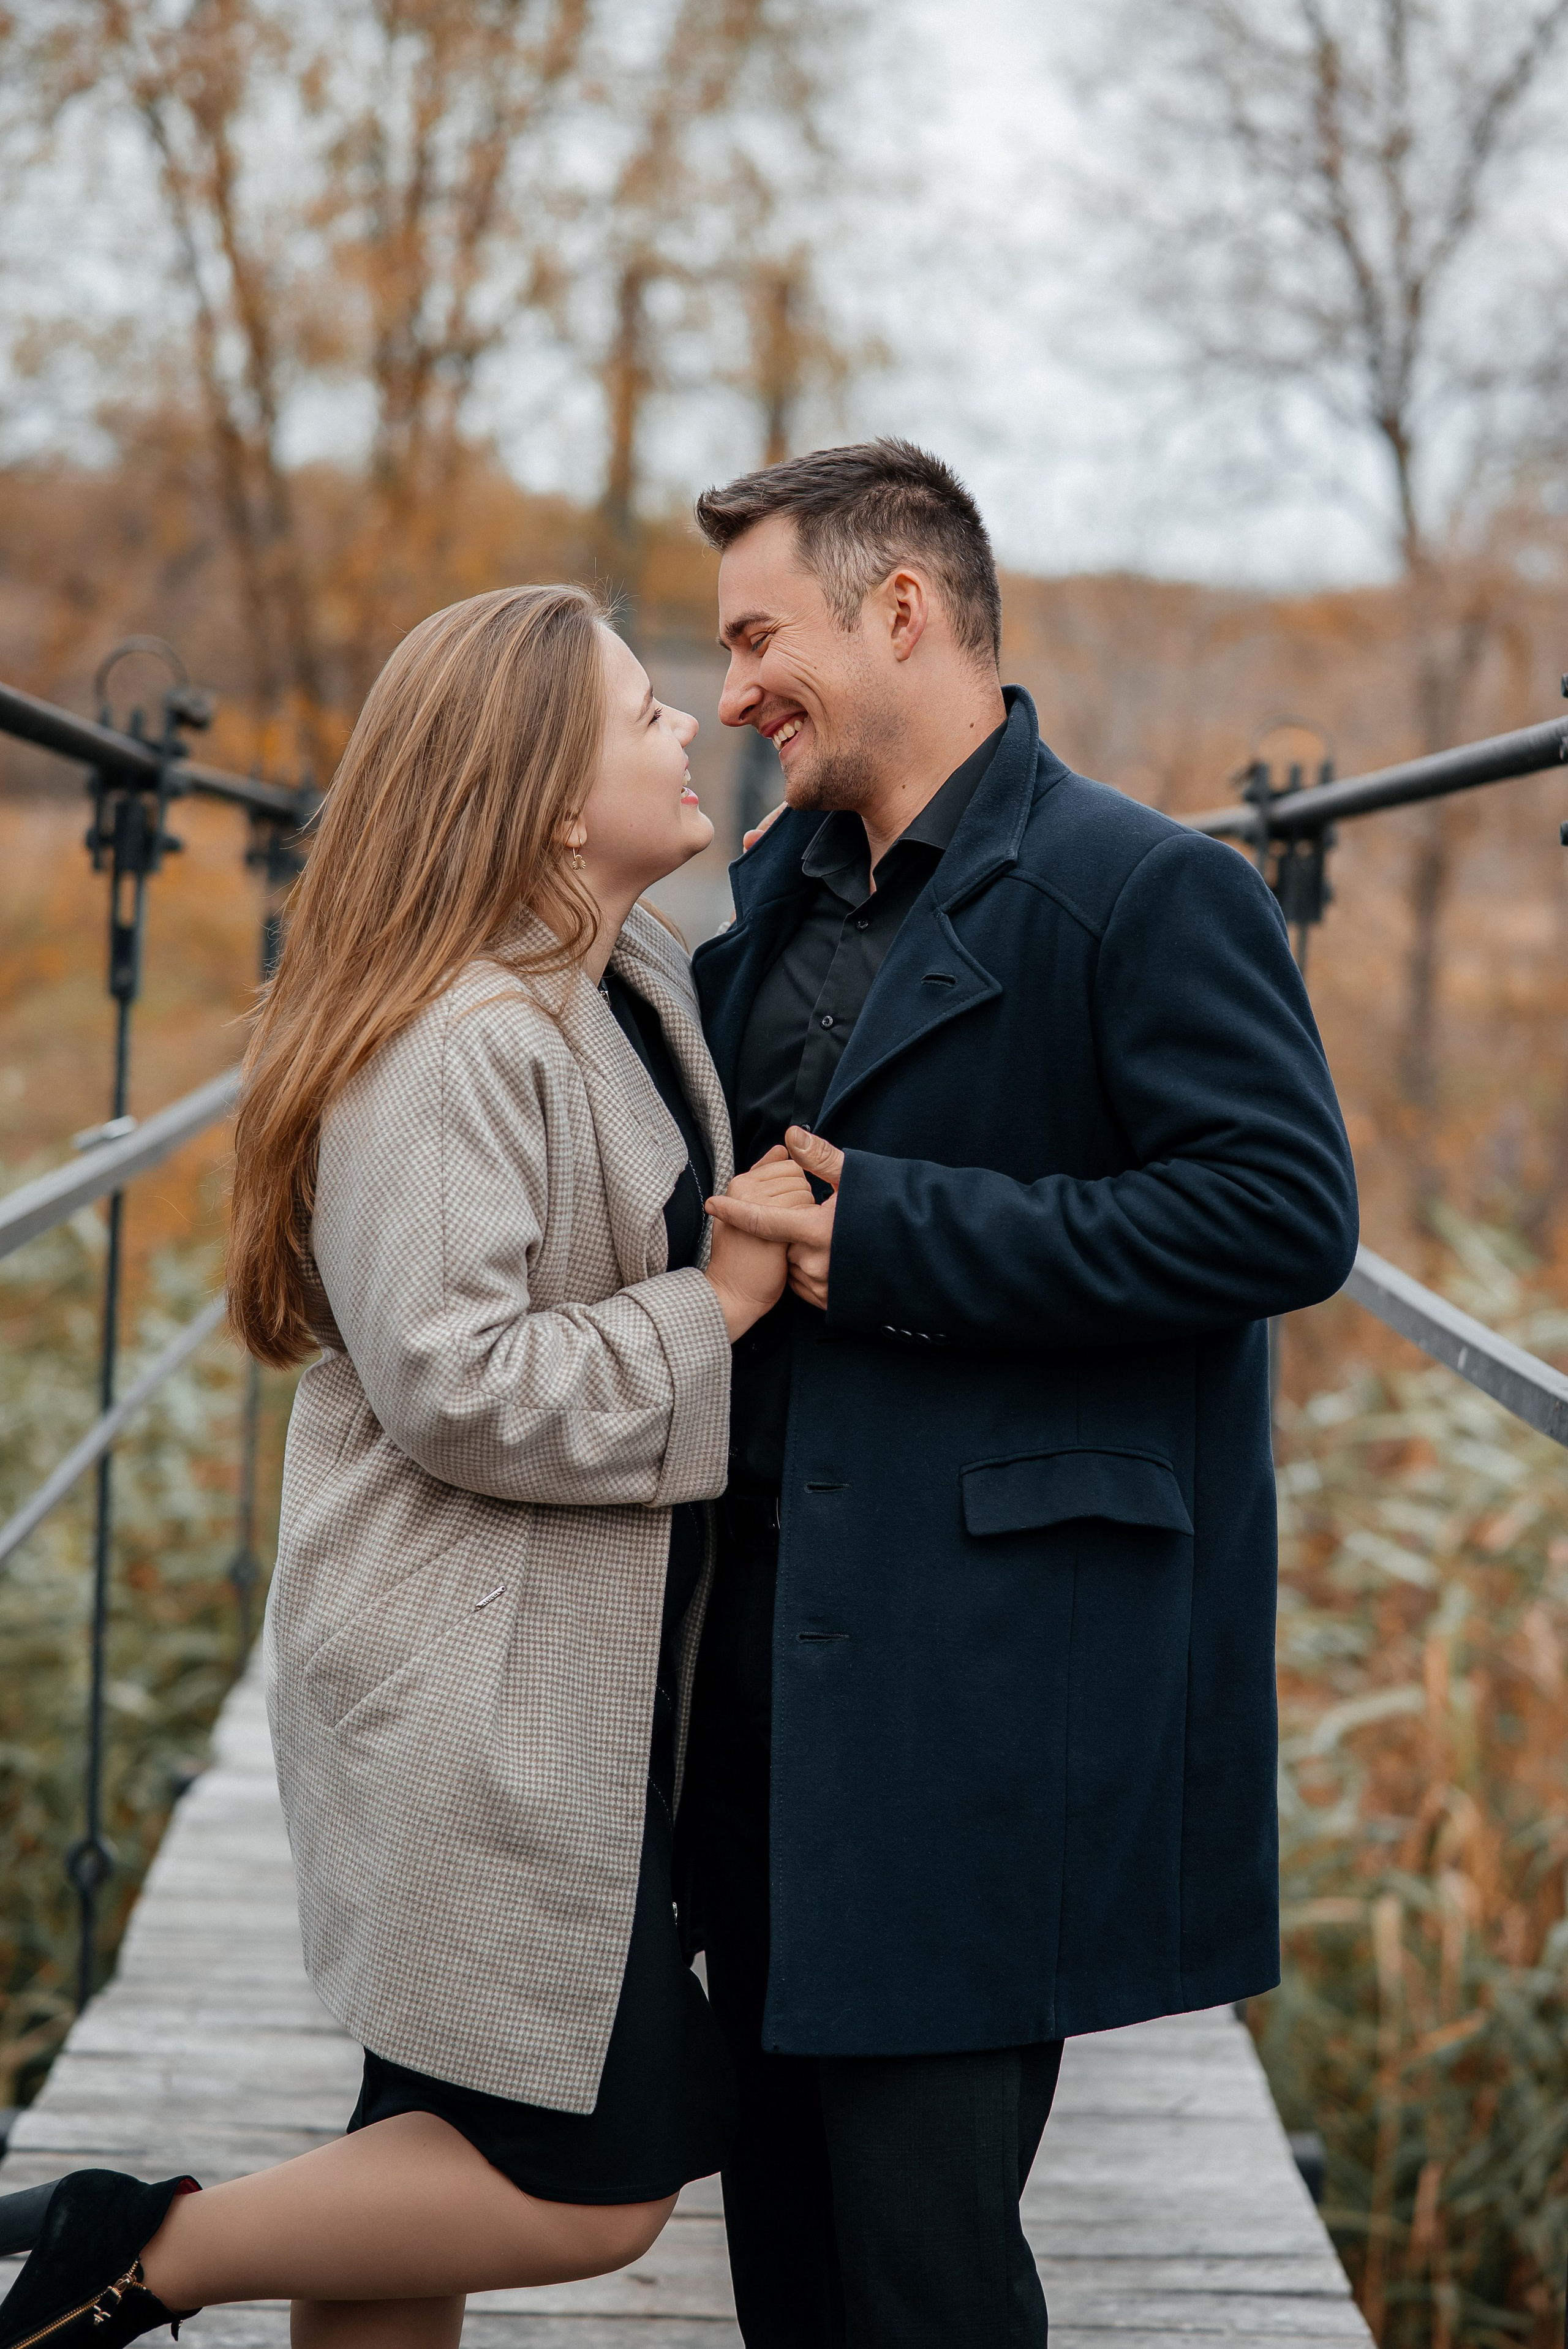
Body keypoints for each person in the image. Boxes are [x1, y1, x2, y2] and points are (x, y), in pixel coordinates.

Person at [0, 583, 813, 2349]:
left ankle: (156, 2242)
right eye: (640, 711)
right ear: (538, 794)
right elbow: (459, 1377)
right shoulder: (463, 1035)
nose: (689, 724)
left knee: (419, 2149)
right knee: (593, 2185)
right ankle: (151, 2241)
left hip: (546, 1659)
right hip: (479, 1684)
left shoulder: (614, 976)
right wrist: (717, 1305)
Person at [680, 439, 1361, 2348]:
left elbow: (1281, 1213)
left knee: (927, 2275)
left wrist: (893, 1232)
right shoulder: (768, 898)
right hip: (751, 1683)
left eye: (758, 639)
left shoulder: (1146, 889)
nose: (732, 694)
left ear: (899, 609)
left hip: (978, 1691)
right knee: (788, 2259)